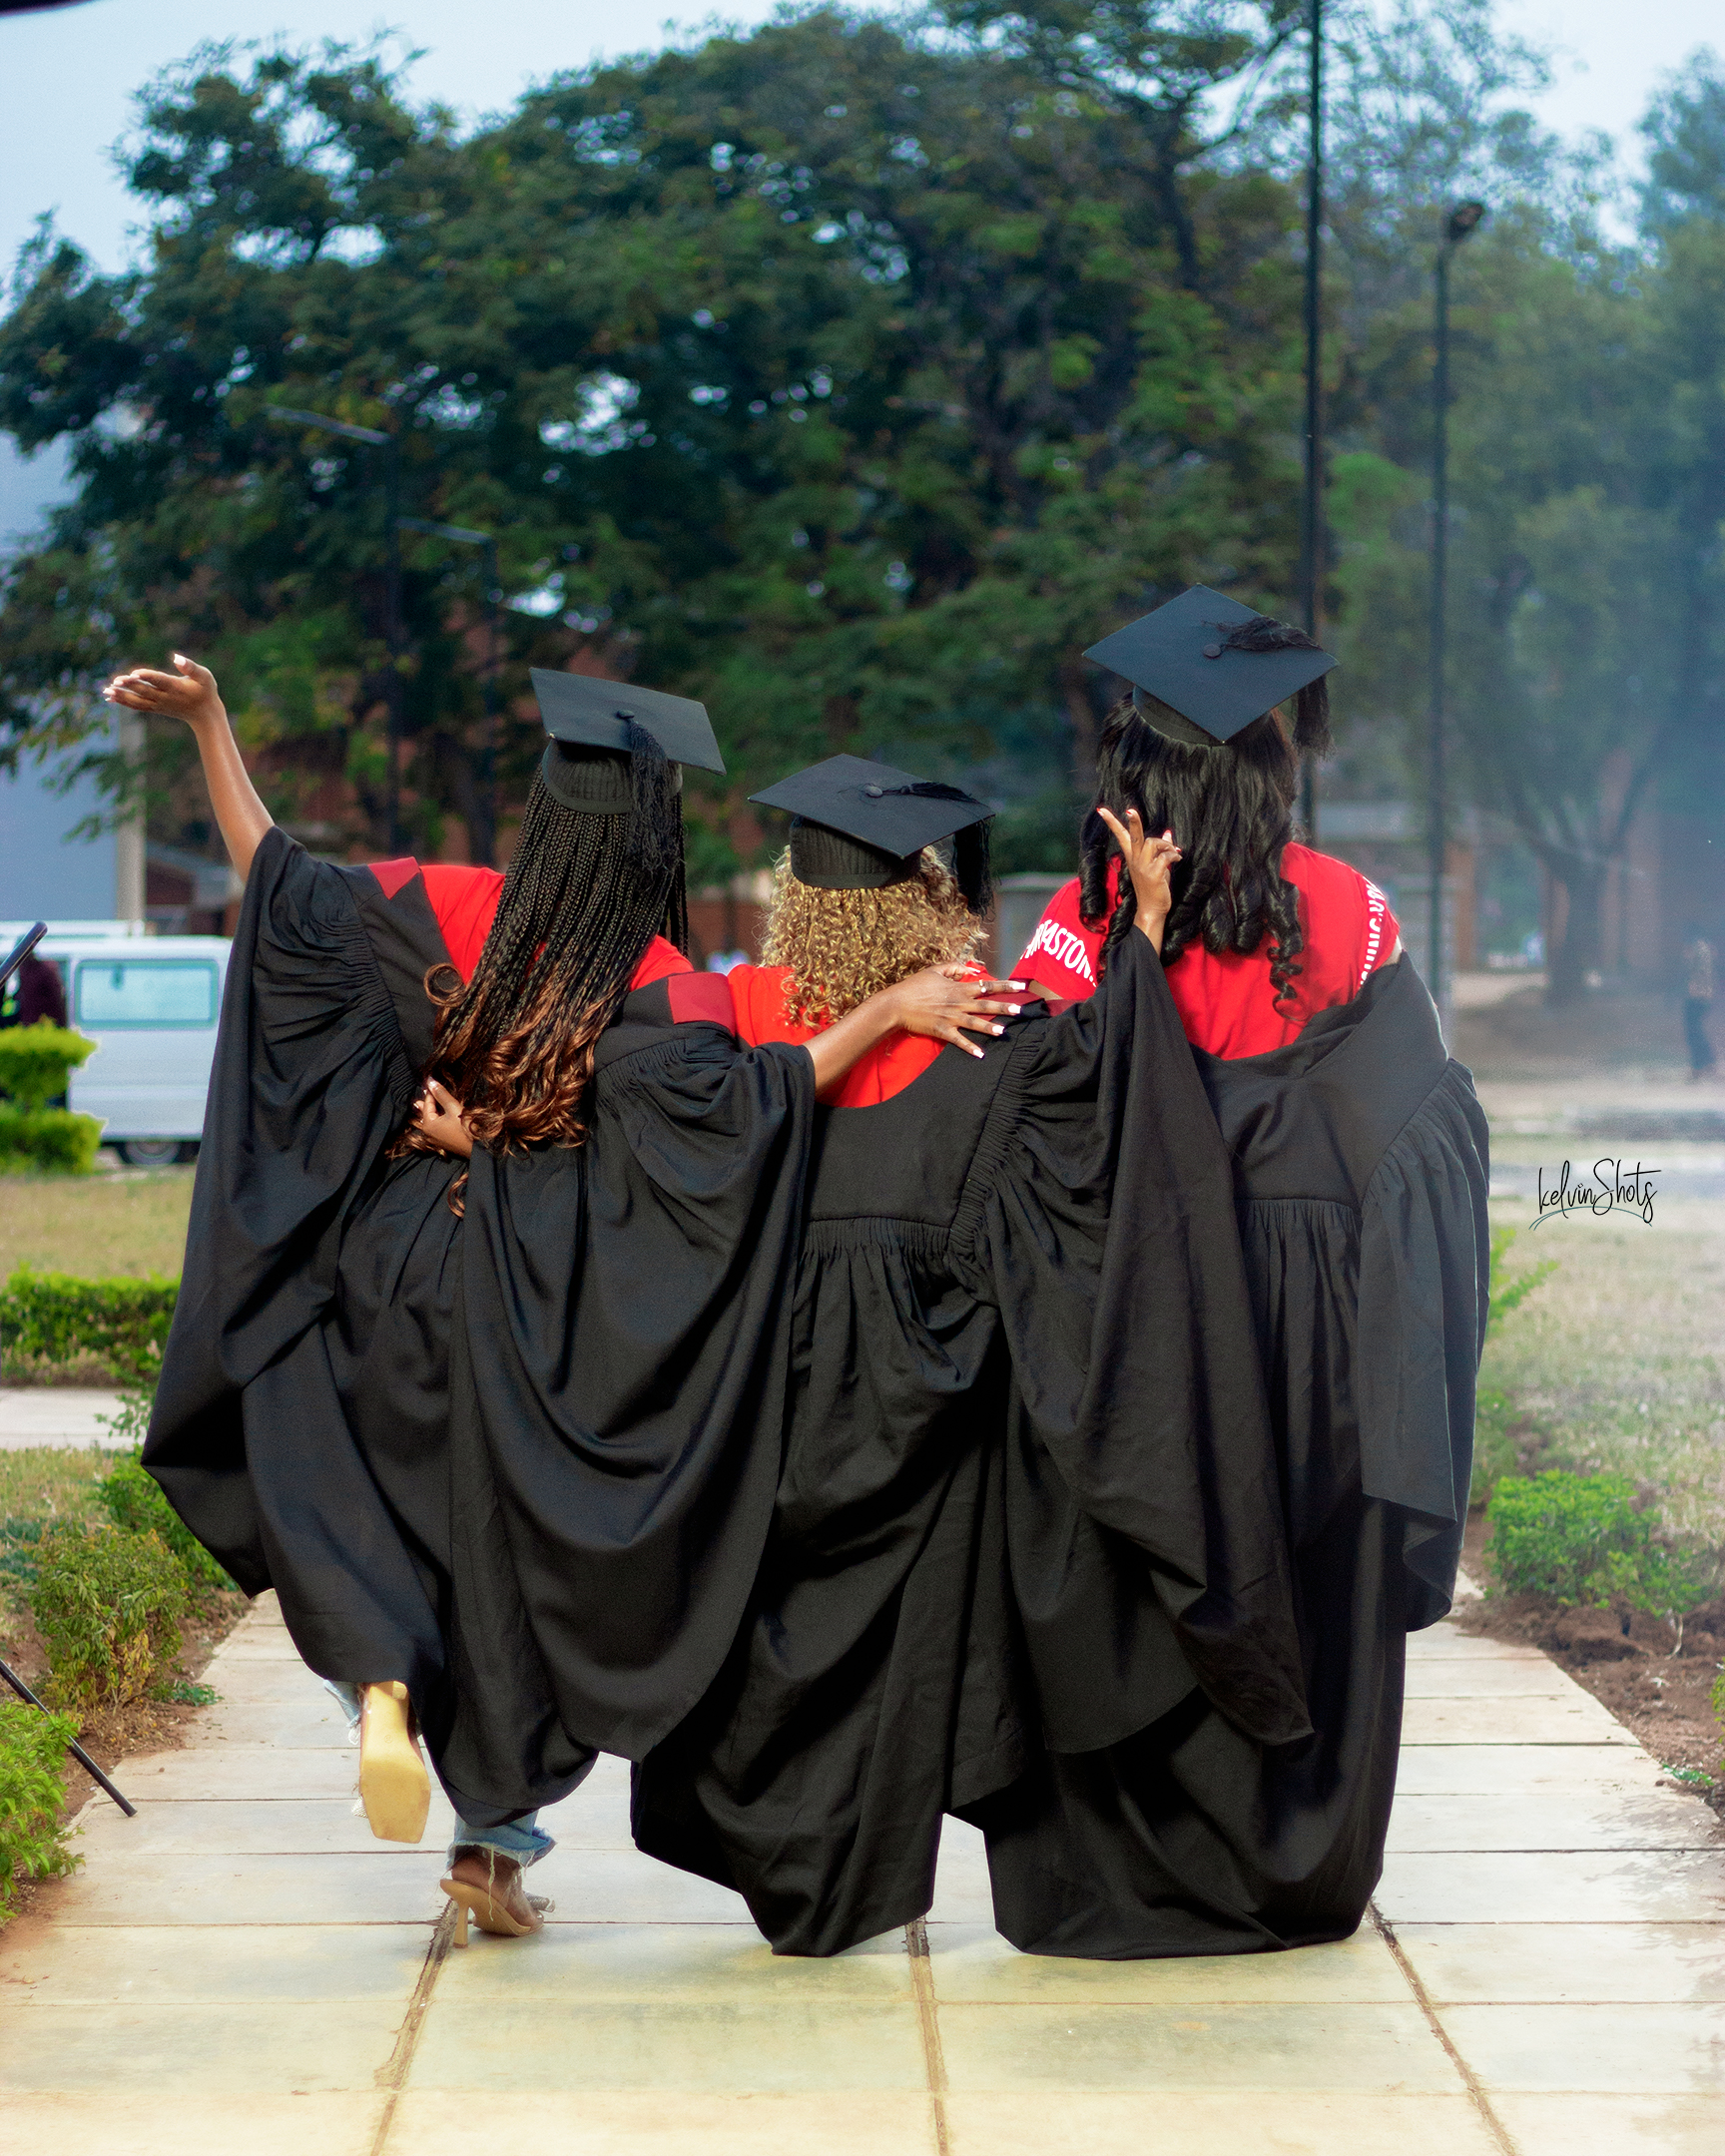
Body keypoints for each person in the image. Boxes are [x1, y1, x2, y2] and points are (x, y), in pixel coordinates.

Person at [105, 655, 1017, 1944]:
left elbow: (276, 881)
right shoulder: (657, 987)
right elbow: (744, 1115)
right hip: (525, 1298)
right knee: (516, 1574)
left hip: (383, 1272)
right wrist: (887, 1008)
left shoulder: (441, 904)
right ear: (656, 836)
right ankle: (494, 1843)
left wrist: (209, 723)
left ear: (541, 812)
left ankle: (380, 1679)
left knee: (386, 1523)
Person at [623, 753, 1312, 1955]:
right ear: (923, 901)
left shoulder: (730, 1018)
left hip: (774, 1384)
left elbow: (628, 1097)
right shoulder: (984, 1024)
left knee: (781, 1628)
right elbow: (1105, 1079)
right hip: (928, 1390)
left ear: (800, 901)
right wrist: (1140, 933)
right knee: (920, 1634)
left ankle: (807, 1880)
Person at [980, 588, 1489, 1955]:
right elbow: (1423, 1123)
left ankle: (1134, 1874)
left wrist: (1139, 945)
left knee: (1152, 1560)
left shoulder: (1079, 930)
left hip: (1153, 1314)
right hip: (1313, 1311)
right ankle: (1292, 1865)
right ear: (1273, 770)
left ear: (1143, 784)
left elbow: (1038, 1122)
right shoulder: (1355, 914)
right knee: (1305, 1571)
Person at [1681, 922, 1716, 1081]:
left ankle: (1699, 1067)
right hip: (1703, 996)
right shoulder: (1704, 948)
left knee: (1693, 1032)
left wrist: (1694, 990)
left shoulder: (1698, 949)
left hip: (1697, 996)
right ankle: (1708, 1062)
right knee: (1696, 1031)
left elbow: (1697, 973)